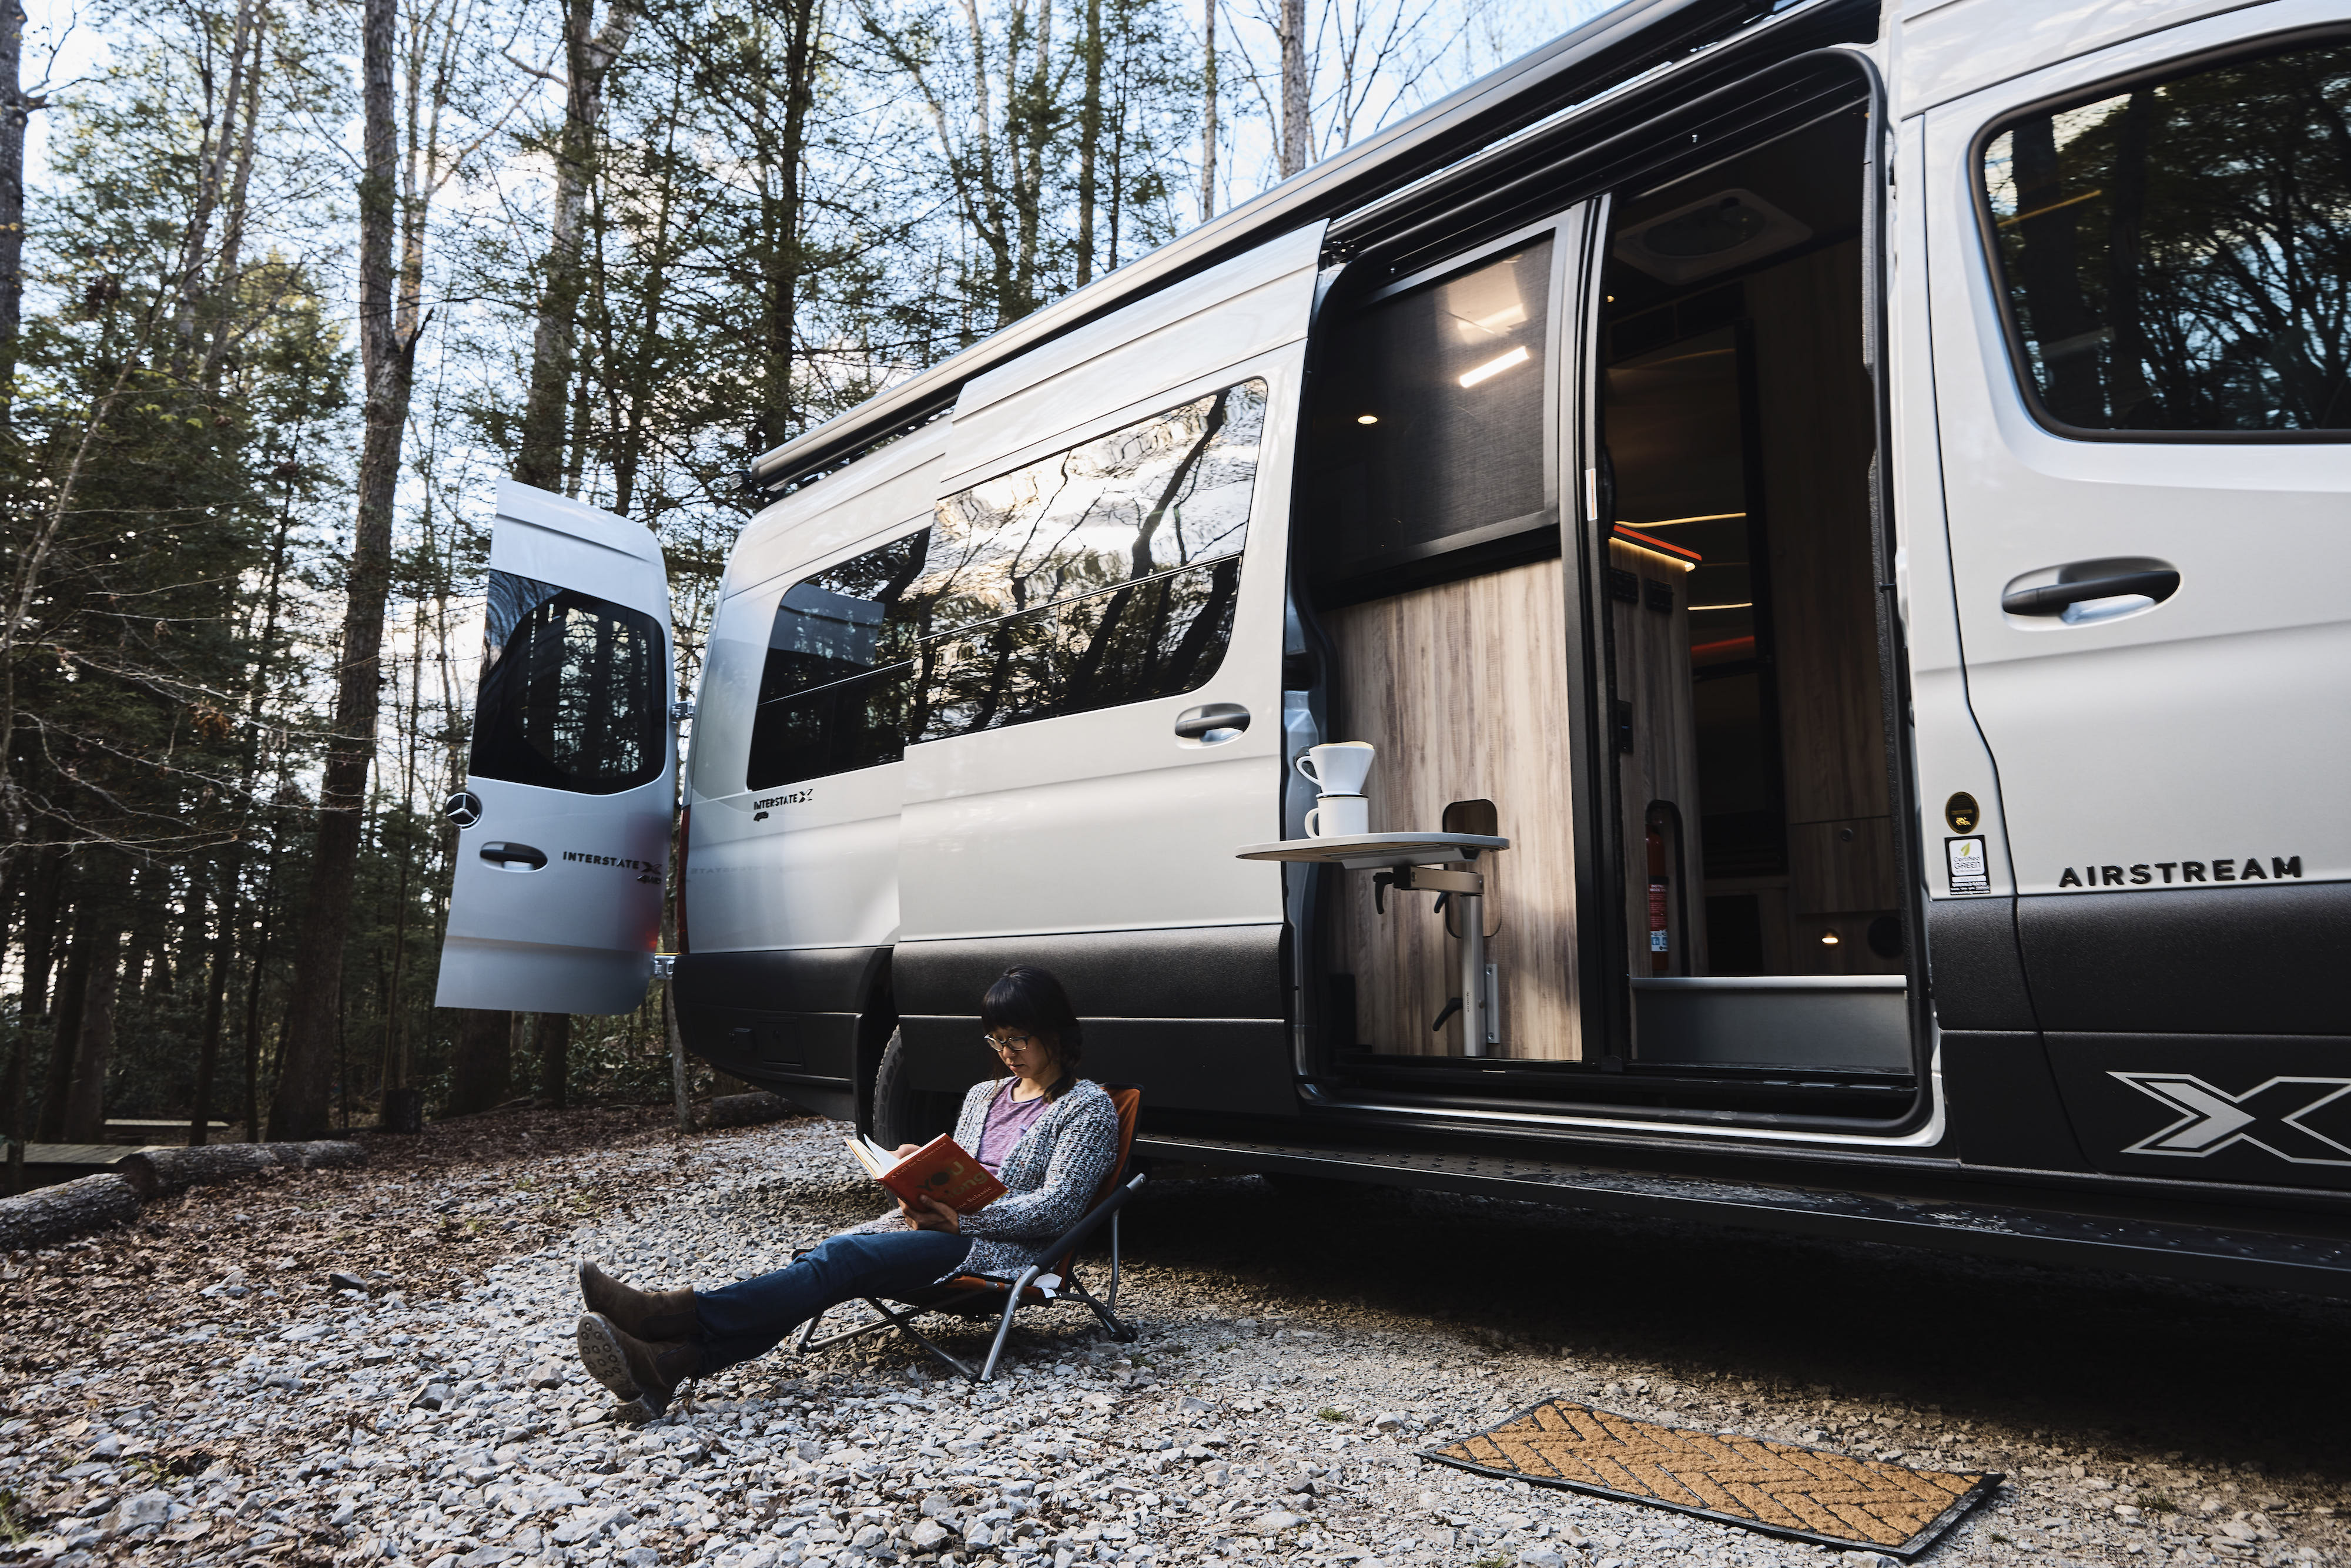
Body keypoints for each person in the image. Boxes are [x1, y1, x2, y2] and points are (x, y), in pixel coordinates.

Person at [573, 965, 1120, 1414]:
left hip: (1001, 1250)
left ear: (1054, 1032)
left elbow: (1059, 1207)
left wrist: (964, 1222)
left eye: (1018, 1038)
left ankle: (665, 1316)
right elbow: (970, 1166)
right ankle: (669, 1364)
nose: (1006, 1051)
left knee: (841, 1255)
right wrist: (916, 1166)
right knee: (826, 1260)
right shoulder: (985, 1094)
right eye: (996, 1040)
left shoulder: (1085, 1107)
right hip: (938, 1229)